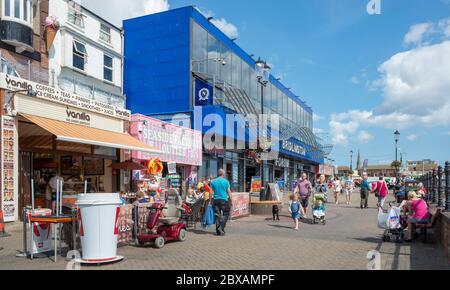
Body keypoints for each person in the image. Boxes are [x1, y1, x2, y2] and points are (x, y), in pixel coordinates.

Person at [210, 169, 233, 236]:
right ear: (223, 174)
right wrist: (231, 200)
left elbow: (211, 192)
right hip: (224, 200)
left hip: (216, 200)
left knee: (217, 215)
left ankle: (218, 232)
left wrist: (210, 201)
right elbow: (228, 191)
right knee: (226, 213)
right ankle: (221, 227)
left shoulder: (213, 181)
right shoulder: (226, 181)